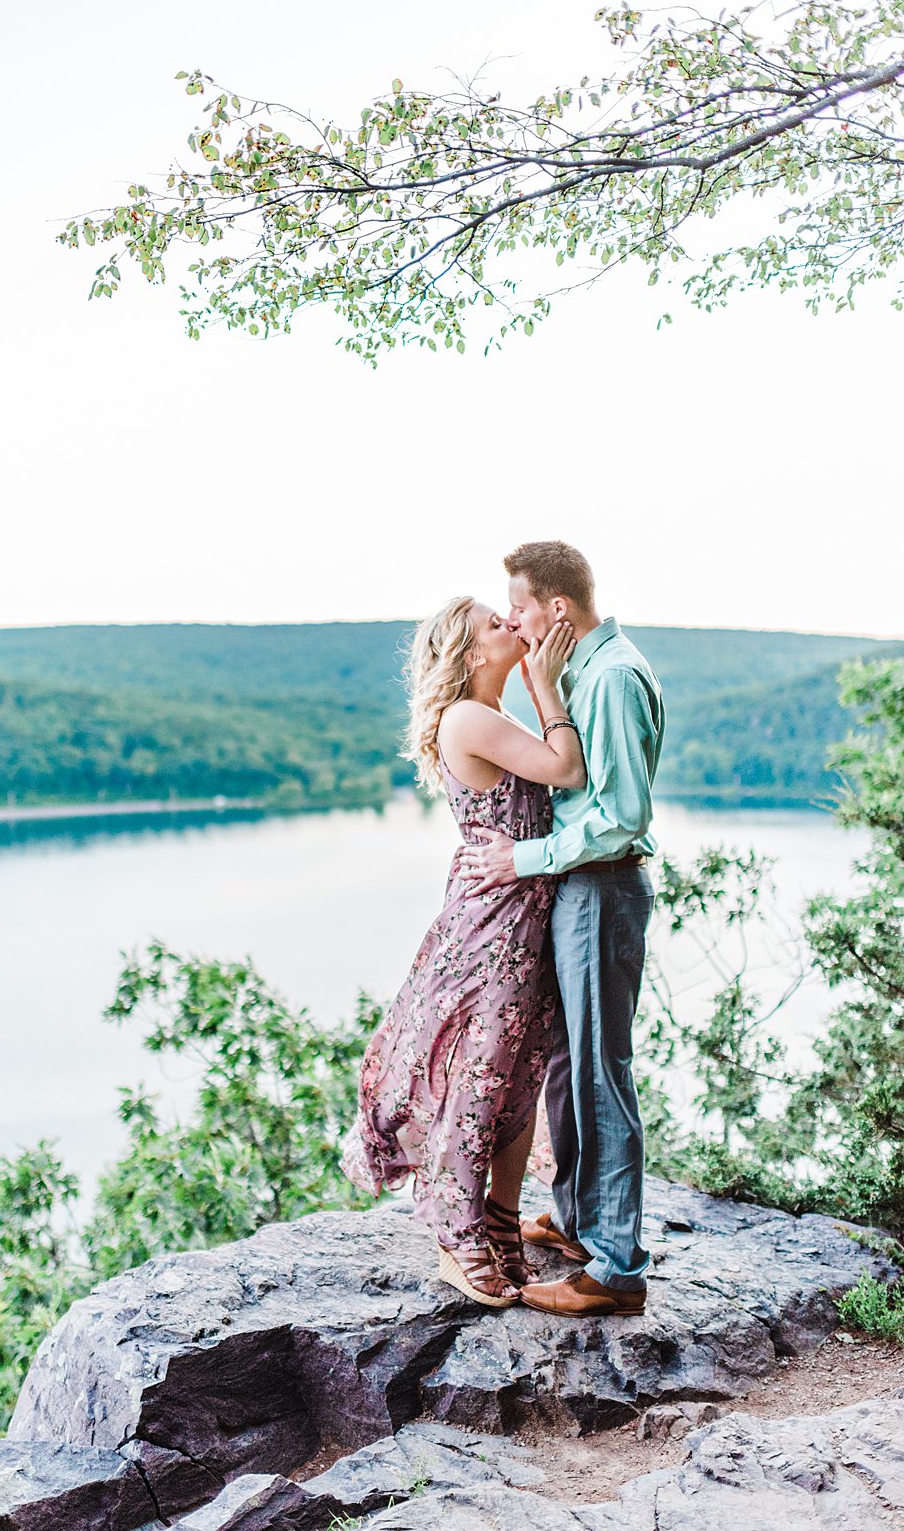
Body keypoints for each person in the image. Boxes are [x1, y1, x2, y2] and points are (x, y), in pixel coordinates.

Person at [341, 595, 586, 1306]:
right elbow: (565, 768)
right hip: (496, 925)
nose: (510, 625)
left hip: (524, 916)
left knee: (519, 1074)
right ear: (472, 655)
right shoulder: (472, 718)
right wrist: (547, 682)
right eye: (493, 624)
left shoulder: (491, 714)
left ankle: (503, 1223)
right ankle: (459, 1236)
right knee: (481, 1081)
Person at [458, 542, 665, 1319]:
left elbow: (621, 817)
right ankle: (580, 1224)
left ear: (557, 610)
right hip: (580, 891)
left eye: (517, 606)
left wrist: (522, 858)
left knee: (598, 1073)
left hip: (602, 888)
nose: (511, 619)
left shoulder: (610, 677)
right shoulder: (585, 669)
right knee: (564, 1066)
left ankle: (615, 1270)